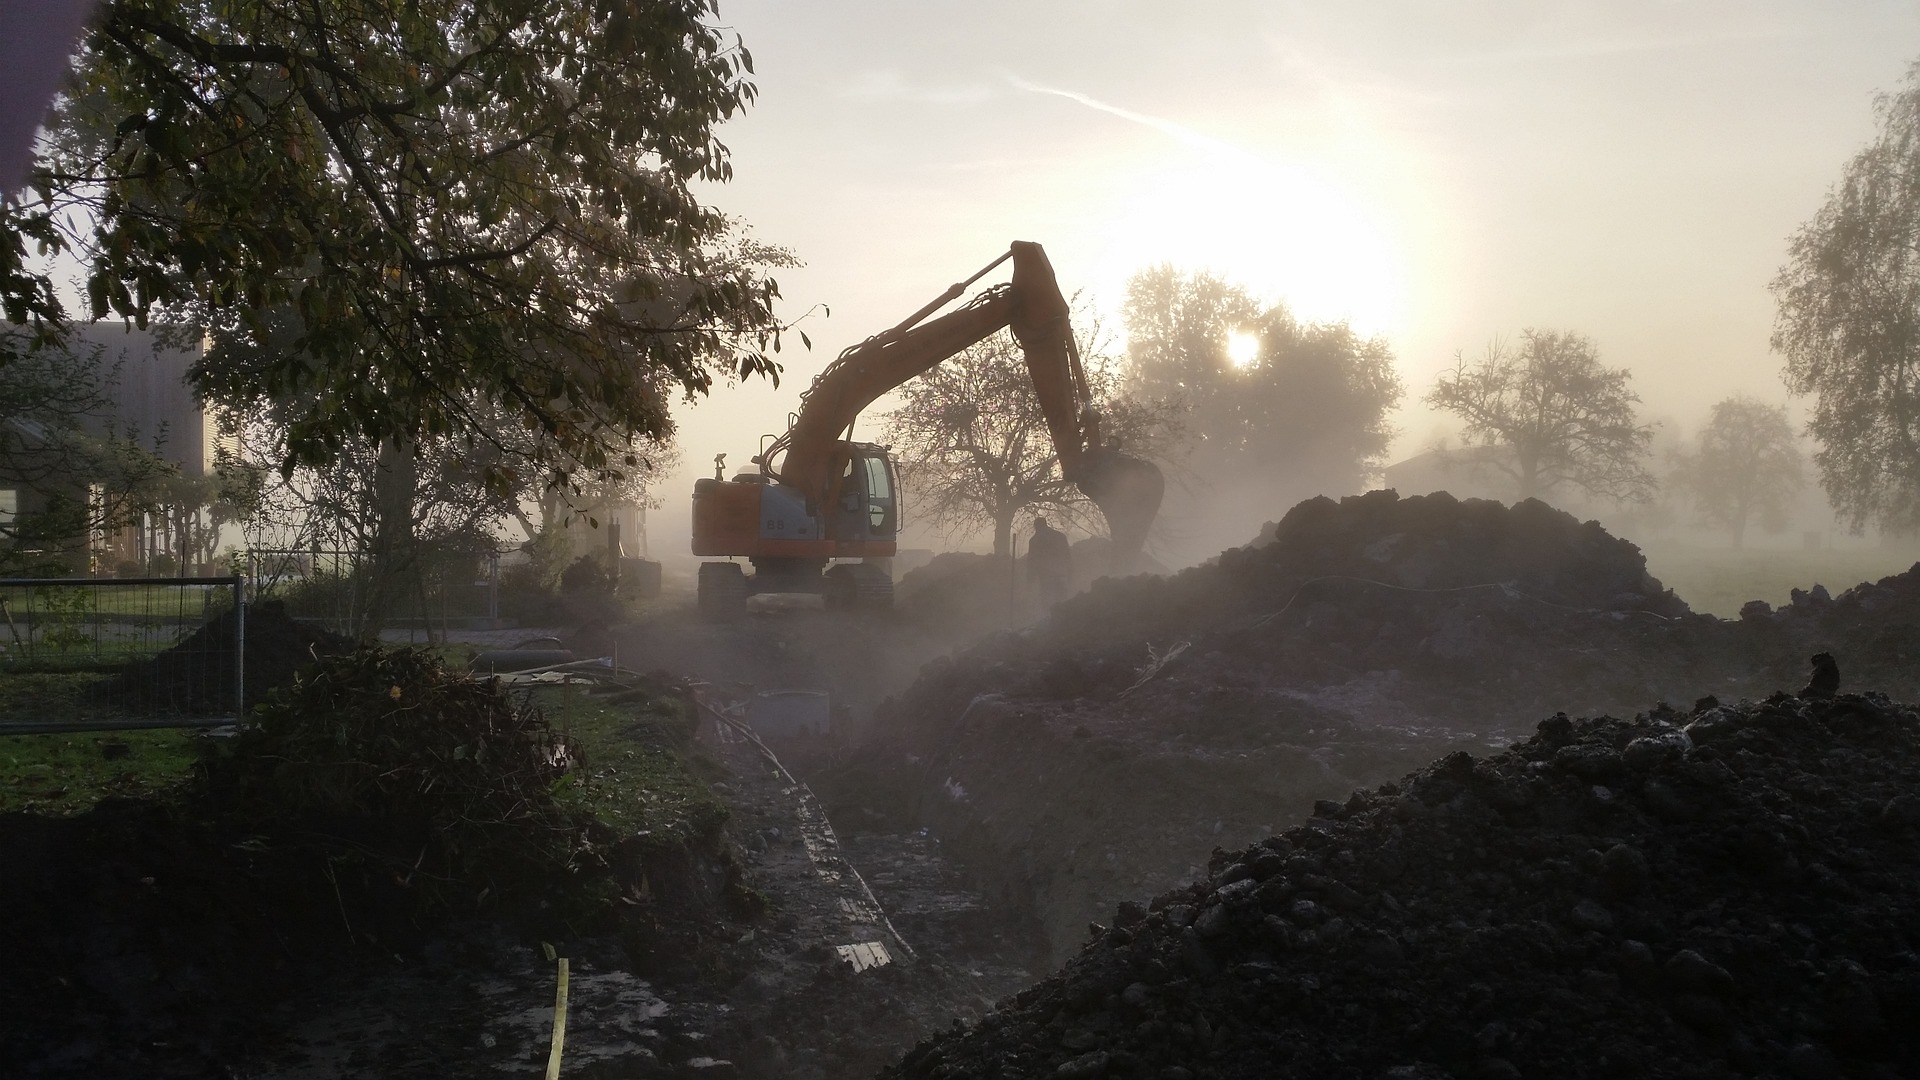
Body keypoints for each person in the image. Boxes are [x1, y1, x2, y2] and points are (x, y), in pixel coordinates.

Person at [1026, 517, 1072, 608]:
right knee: (1061, 597)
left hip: (1045, 574)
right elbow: (1067, 555)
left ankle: (1049, 617)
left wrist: (1031, 576)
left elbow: (1032, 559)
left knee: (1047, 598)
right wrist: (1070, 570)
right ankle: (1063, 615)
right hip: (1060, 572)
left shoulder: (1034, 540)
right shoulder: (1060, 536)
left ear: (1036, 526)